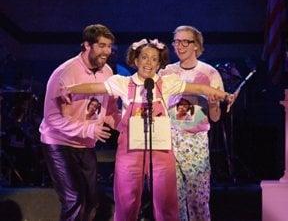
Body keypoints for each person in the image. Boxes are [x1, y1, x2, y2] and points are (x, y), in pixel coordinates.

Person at [62, 38, 232, 221]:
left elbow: (198, 87)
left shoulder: (166, 83)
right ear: (136, 60)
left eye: (154, 59)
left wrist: (223, 95)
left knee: (166, 203)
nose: (149, 62)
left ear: (159, 64)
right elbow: (96, 87)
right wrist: (70, 89)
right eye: (144, 57)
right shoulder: (122, 82)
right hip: (130, 151)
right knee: (126, 202)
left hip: (160, 151)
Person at [39, 24, 120, 221]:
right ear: (86, 45)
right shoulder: (64, 73)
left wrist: (127, 127)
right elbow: (52, 119)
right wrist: (87, 129)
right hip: (59, 144)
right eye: (101, 45)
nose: (107, 51)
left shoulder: (107, 72)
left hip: (86, 144)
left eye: (109, 46)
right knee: (74, 199)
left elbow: (109, 109)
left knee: (92, 200)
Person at [158, 25, 225, 221]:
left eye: (185, 41)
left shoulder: (209, 73)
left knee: (198, 198)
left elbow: (215, 117)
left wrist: (213, 105)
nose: (180, 46)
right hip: (169, 139)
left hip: (195, 142)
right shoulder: (167, 72)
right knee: (174, 199)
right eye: (176, 41)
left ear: (196, 45)